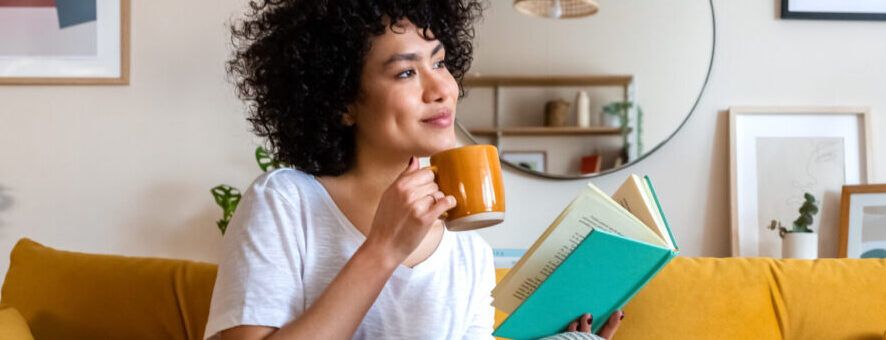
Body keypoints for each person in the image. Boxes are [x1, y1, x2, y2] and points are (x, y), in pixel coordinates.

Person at [204, 0, 623, 339]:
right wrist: (383, 249)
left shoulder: (466, 249)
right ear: (342, 102)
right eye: (406, 72)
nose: (442, 89)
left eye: (439, 64)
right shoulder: (284, 202)